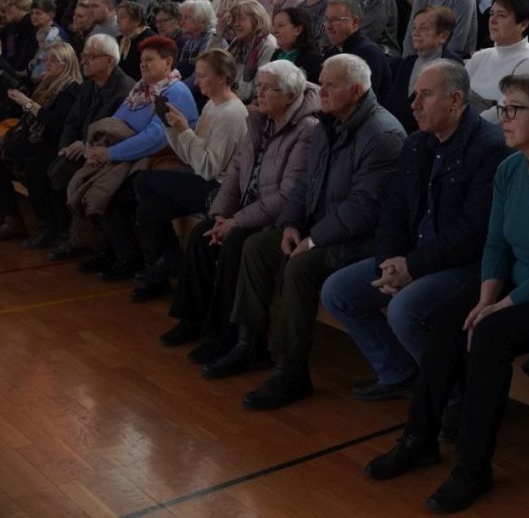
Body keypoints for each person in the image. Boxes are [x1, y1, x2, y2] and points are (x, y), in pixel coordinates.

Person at [363, 75, 529, 514]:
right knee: (446, 321)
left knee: (489, 336)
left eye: (515, 109)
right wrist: (485, 297)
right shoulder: (510, 167)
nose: (504, 118)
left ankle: (474, 466)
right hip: (518, 278)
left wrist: (500, 307)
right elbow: (496, 244)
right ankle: (418, 439)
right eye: (503, 107)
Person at [216, 54, 405, 410]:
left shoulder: (382, 134)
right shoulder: (328, 124)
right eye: (323, 81)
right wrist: (290, 224)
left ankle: (292, 370)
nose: (322, 91)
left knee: (300, 267)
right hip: (317, 228)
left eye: (331, 85)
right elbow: (303, 184)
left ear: (357, 90)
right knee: (258, 247)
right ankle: (250, 343)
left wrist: (312, 238)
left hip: (361, 241)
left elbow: (363, 208)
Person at [321, 61, 510, 399]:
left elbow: (473, 233)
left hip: (464, 265)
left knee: (405, 310)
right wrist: (389, 259)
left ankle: (452, 395)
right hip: (412, 256)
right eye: (414, 95)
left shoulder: (490, 148)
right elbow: (393, 208)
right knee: (338, 291)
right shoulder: (416, 143)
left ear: (454, 99)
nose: (414, 105)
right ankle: (399, 372)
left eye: (425, 95)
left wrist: (412, 267)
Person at [158, 60, 319, 355]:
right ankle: (193, 319)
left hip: (278, 219)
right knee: (202, 235)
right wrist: (220, 214)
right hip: (247, 210)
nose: (261, 94)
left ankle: (228, 334)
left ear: (291, 96)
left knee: (235, 245)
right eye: (259, 86)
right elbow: (234, 173)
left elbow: (288, 195)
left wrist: (236, 222)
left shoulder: (306, 130)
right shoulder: (259, 120)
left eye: (270, 88)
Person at [73, 37, 199, 280]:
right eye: (141, 60)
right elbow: (116, 122)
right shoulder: (141, 89)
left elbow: (155, 138)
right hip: (133, 156)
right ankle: (112, 251)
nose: (143, 64)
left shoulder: (175, 91)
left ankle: (131, 260)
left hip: (162, 161)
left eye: (150, 59)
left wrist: (109, 153)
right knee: (89, 182)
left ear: (168, 62)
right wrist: (96, 146)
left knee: (116, 195)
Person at [130, 49, 249, 302]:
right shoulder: (211, 105)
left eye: (203, 76)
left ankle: (167, 262)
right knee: (148, 210)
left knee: (144, 180)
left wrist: (184, 131)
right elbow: (190, 156)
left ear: (222, 77)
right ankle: (159, 274)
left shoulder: (231, 113)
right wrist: (172, 127)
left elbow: (208, 168)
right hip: (201, 178)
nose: (197, 81)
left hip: (217, 190)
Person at [46, 35, 135, 260]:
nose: (83, 61)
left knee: (68, 175)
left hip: (109, 155)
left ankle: (90, 243)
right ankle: (71, 236)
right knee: (53, 167)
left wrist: (86, 145)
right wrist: (66, 146)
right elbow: (72, 121)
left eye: (91, 56)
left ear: (108, 60)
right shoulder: (88, 86)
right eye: (84, 55)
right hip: (84, 148)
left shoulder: (124, 90)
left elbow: (114, 131)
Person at [0, 42, 81, 248]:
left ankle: (54, 229)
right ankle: (14, 217)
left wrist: (26, 103)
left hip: (56, 144)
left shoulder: (71, 88)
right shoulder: (47, 83)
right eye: (47, 59)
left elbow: (56, 122)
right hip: (38, 140)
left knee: (35, 167)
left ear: (67, 63)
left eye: (54, 60)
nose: (48, 63)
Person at [465, 0, 529, 121]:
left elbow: (507, 113)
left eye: (502, 15)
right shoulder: (479, 57)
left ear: (523, 25)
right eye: (491, 13)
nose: (492, 20)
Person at [387, 7, 463, 131]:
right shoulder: (408, 62)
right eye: (414, 27)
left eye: (423, 28)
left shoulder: (452, 64)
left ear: (443, 36)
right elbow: (394, 103)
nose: (416, 33)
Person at [322, 0, 392, 99]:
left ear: (355, 22)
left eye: (335, 20)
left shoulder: (369, 54)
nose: (328, 26)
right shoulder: (331, 53)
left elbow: (363, 100)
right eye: (326, 20)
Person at [225, 0, 276, 103]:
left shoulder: (267, 44)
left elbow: (259, 86)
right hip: (232, 96)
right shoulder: (237, 43)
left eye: (241, 19)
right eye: (234, 20)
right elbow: (213, 66)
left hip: (252, 101)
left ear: (256, 20)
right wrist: (217, 34)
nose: (236, 25)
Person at [271, 6, 323, 84]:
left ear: (298, 30)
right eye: (274, 26)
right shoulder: (276, 55)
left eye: (280, 25)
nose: (275, 31)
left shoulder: (311, 60)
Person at [115, 2, 156, 81]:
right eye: (117, 17)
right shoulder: (118, 40)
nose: (117, 21)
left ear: (136, 20)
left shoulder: (150, 39)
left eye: (122, 17)